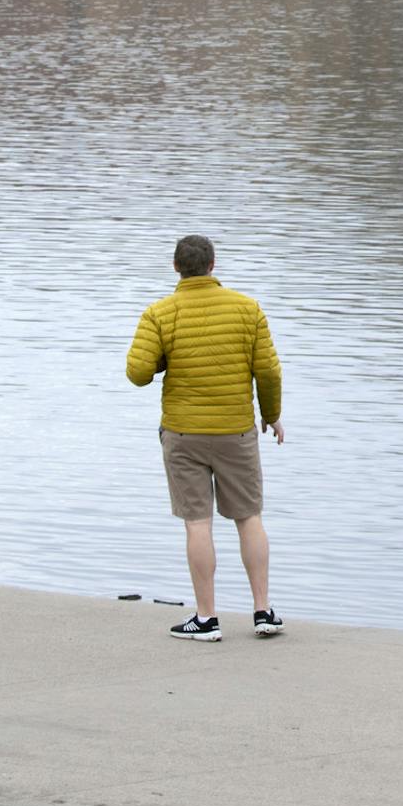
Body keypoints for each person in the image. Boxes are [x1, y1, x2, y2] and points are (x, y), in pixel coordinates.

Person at [127, 233, 284, 642]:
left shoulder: (160, 313)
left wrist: (163, 359)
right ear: (213, 266)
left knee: (198, 524)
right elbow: (268, 372)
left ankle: (206, 618)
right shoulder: (247, 309)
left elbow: (138, 373)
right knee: (249, 518)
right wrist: (272, 415)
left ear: (177, 268)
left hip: (183, 434)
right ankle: (263, 611)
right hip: (236, 431)